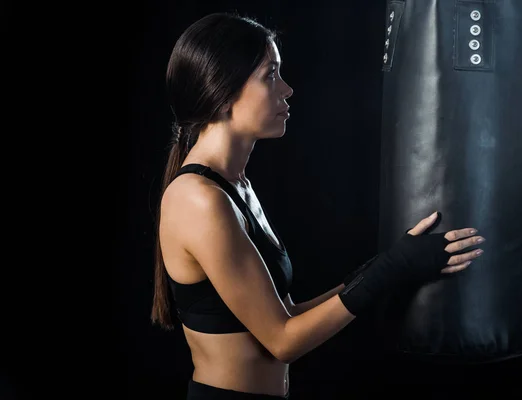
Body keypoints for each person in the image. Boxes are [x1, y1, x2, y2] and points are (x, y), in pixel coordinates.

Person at [151, 12, 486, 400]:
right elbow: (282, 340)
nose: (288, 89)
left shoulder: (234, 186)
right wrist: (392, 269)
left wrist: (387, 266)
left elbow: (288, 314)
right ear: (223, 93)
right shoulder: (198, 199)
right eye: (271, 75)